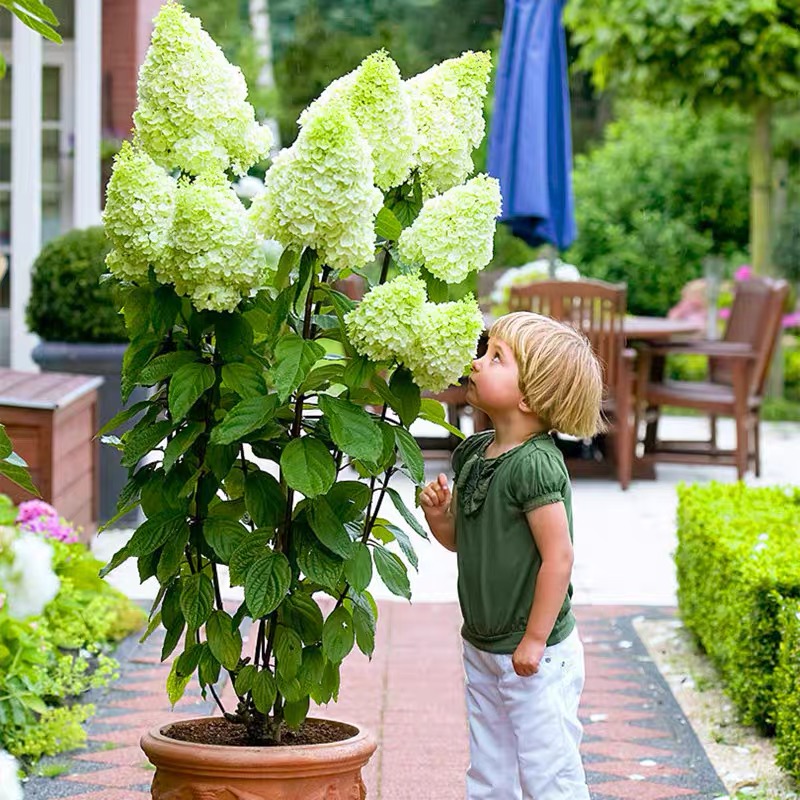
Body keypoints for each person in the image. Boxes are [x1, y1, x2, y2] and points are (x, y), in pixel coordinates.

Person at [420, 311, 604, 800]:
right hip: (481, 642)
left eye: (495, 357)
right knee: (489, 765)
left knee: (549, 770)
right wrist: (440, 517)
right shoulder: (474, 453)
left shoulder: (537, 466)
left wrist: (535, 640)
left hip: (535, 654)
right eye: (485, 352)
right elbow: (463, 539)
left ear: (530, 397)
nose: (477, 363)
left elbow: (558, 558)